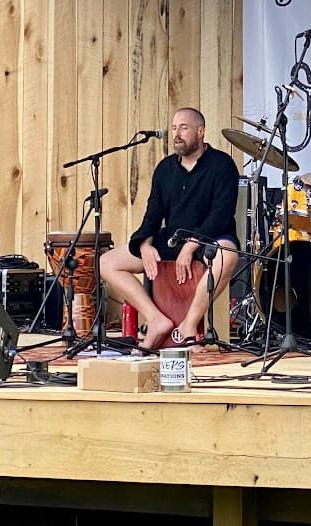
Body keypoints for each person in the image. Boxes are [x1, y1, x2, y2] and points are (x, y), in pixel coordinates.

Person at [99, 108, 240, 350]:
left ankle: (188, 326)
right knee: (107, 263)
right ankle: (155, 320)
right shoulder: (165, 169)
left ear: (201, 131)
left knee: (229, 255)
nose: (177, 134)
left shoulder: (222, 165)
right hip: (173, 239)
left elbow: (221, 214)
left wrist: (191, 245)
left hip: (209, 239)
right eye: (174, 128)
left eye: (184, 127)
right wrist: (144, 245)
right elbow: (153, 213)